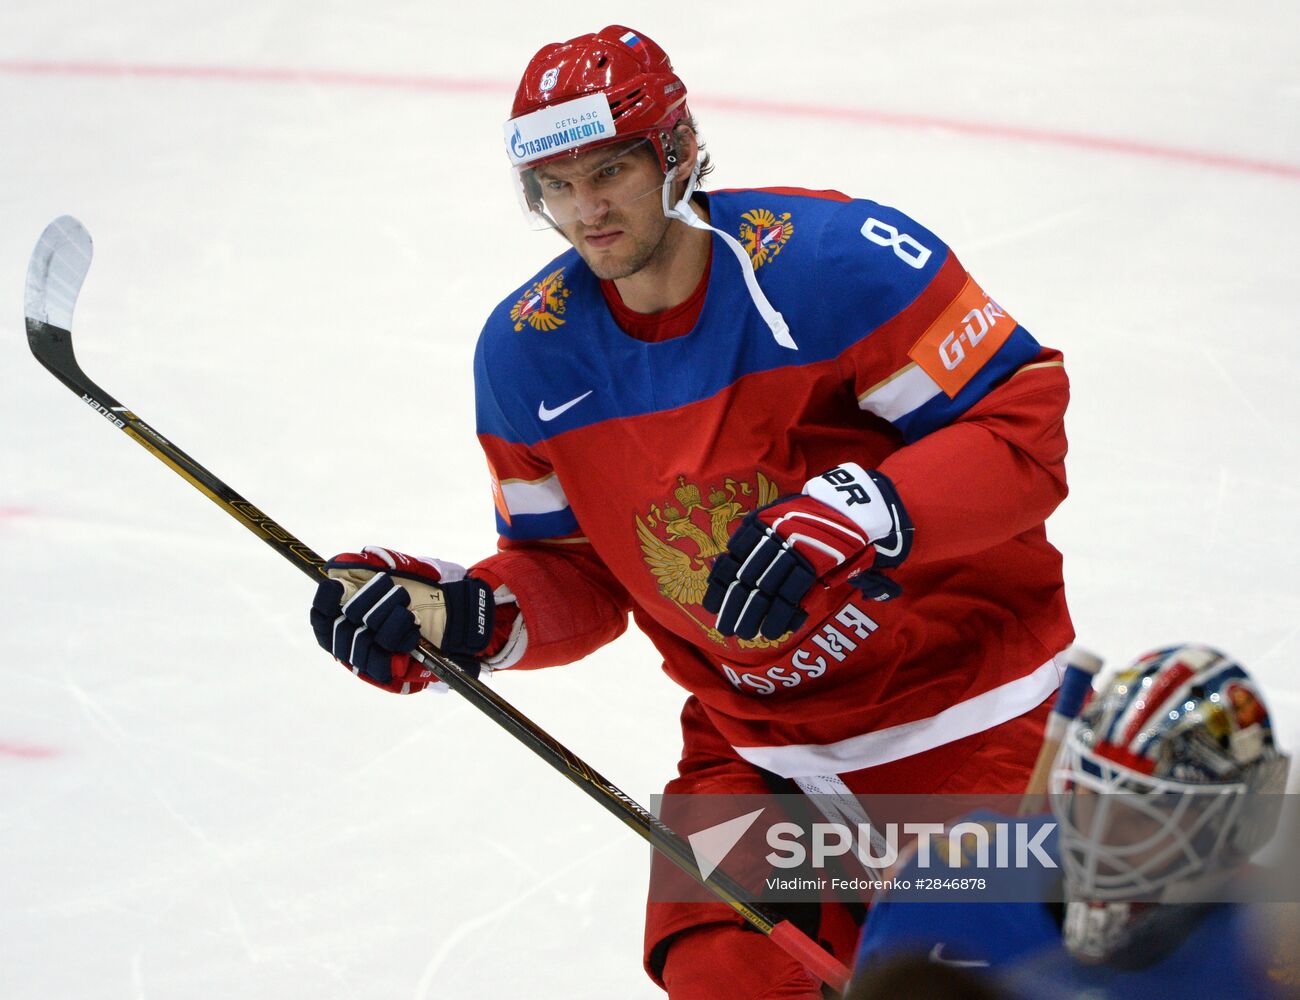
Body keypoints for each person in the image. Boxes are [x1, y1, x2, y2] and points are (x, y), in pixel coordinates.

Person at [310, 25, 1075, 999]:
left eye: (610, 171)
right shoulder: (526, 352)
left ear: (675, 150)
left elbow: (1020, 429)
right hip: (751, 749)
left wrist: (864, 509)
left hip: (969, 715)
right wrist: (464, 615)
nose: (585, 210)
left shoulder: (833, 263)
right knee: (722, 971)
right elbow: (574, 568)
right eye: (555, 184)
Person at [851, 644, 1296, 999]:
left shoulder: (1273, 953)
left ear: (1228, 828)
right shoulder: (947, 881)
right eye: (1090, 797)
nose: (1098, 838)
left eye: (1140, 818)